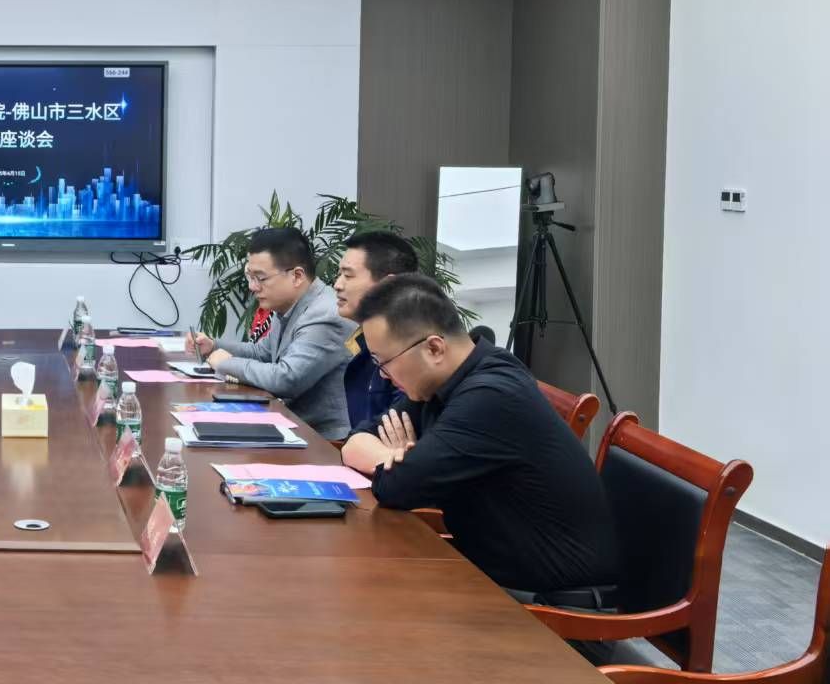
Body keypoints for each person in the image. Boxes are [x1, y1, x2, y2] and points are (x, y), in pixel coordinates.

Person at [354, 274, 620, 606]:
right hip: (491, 577)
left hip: (551, 609)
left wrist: (401, 463)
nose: (382, 375)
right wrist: (391, 457)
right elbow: (357, 439)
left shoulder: (491, 395)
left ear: (434, 348)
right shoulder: (444, 380)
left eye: (384, 362)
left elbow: (396, 487)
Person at [186, 226, 355, 439]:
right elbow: (263, 353)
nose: (252, 287)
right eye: (250, 276)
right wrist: (213, 346)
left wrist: (226, 363)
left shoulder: (325, 315)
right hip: (290, 425)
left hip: (322, 440)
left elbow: (287, 378)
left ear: (297, 276)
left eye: (260, 278)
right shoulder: (289, 304)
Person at [332, 231, 418, 470]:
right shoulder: (364, 346)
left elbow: (397, 450)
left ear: (388, 285)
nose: (337, 285)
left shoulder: (412, 353)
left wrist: (369, 448)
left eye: (348, 275)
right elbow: (362, 439)